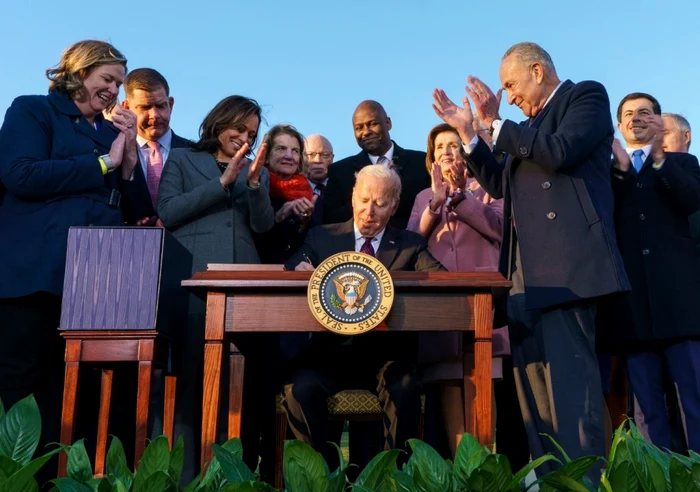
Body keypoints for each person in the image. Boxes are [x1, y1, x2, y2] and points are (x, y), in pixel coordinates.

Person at [431, 41, 629, 479]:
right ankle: (549, 483)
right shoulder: (525, 130)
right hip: (523, 276)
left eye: (511, 84)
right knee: (535, 400)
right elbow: (501, 184)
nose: (509, 95)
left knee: (570, 395)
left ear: (537, 71)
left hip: (567, 272)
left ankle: (583, 485)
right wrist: (468, 134)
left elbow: (560, 152)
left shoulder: (585, 97)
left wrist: (496, 124)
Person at [0, 39, 137, 464]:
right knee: (21, 381)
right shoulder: (32, 111)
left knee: (73, 390)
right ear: (79, 73)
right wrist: (101, 165)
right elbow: (19, 174)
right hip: (36, 275)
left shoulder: (112, 133)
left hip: (93, 283)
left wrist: (128, 160)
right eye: (108, 80)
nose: (115, 91)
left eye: (119, 84)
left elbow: (138, 209)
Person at [283, 165, 444, 471]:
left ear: (394, 206)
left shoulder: (410, 244)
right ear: (353, 197)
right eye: (365, 199)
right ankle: (323, 479)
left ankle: (390, 477)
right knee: (298, 390)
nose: (370, 211)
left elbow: (441, 282)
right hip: (329, 355)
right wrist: (298, 268)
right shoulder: (321, 237)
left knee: (406, 387)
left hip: (387, 358)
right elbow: (294, 264)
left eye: (380, 204)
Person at [157, 95, 274, 481]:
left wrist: (254, 185)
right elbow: (169, 212)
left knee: (235, 384)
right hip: (194, 283)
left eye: (252, 134)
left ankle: (228, 476)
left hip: (243, 285)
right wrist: (222, 182)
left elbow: (263, 227)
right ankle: (187, 475)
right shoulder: (183, 158)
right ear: (219, 122)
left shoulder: (257, 171)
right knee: (191, 380)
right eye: (238, 128)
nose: (244, 138)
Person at [407, 122, 506, 458]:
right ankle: (464, 471)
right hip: (441, 302)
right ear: (431, 159)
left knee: (483, 381)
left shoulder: (490, 187)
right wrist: (434, 207)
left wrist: (463, 196)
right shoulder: (423, 196)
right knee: (447, 383)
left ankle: (485, 467)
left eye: (453, 145)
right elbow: (409, 245)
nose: (447, 153)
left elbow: (499, 231)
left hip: (483, 301)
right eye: (440, 148)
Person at [609, 92, 700, 451]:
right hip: (632, 310)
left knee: (693, 400)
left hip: (679, 305)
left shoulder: (683, 162)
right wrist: (619, 173)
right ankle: (656, 476)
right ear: (619, 126)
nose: (636, 118)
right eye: (629, 114)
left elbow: (691, 200)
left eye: (645, 112)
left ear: (659, 121)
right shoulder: (611, 172)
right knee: (646, 409)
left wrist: (660, 157)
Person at [323, 100, 429, 228]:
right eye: (359, 128)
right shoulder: (340, 171)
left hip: (410, 244)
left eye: (372, 124)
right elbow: (330, 218)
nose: (366, 132)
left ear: (388, 123)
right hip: (359, 247)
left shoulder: (421, 162)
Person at [120, 68, 192, 225]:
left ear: (170, 104)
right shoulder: (115, 152)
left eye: (160, 106)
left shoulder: (196, 153)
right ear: (126, 107)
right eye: (145, 108)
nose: (155, 115)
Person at [254, 124, 317, 264]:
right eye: (281, 148)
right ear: (266, 156)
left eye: (295, 151)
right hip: (260, 275)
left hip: (298, 276)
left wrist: (304, 223)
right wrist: (278, 217)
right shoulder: (254, 188)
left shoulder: (308, 193)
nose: (289, 156)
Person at [303, 133, 334, 227]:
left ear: (332, 158)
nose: (317, 160)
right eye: (310, 155)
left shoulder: (343, 188)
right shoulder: (290, 190)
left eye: (325, 155)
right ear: (300, 158)